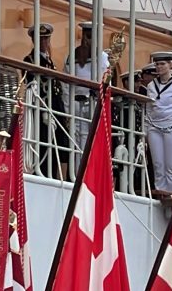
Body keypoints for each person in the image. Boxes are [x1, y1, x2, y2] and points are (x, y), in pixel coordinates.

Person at [23, 23, 69, 179]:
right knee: (42, 142)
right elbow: (31, 84)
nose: (44, 43)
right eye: (41, 39)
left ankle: (53, 175)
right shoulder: (29, 59)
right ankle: (40, 174)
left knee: (57, 144)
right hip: (41, 109)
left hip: (54, 109)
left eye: (46, 39)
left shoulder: (50, 62)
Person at [63, 22, 110, 153]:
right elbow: (66, 84)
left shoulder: (100, 57)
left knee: (87, 141)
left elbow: (104, 79)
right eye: (88, 37)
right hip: (82, 103)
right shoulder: (75, 56)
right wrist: (68, 108)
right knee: (81, 141)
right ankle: (80, 171)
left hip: (87, 102)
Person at [146, 51, 172, 193]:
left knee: (171, 165)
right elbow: (148, 108)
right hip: (154, 126)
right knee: (158, 163)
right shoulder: (151, 86)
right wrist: (146, 128)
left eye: (162, 64)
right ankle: (161, 191)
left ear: (171, 65)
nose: (159, 67)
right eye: (157, 64)